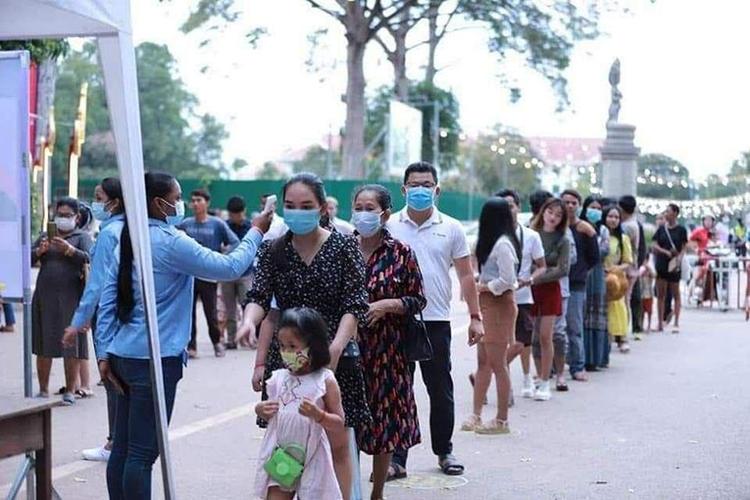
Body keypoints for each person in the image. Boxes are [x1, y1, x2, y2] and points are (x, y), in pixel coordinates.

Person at [95, 172, 271, 499]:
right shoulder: (171, 241)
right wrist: (257, 231)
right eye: (176, 199)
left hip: (122, 354)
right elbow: (230, 267)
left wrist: (103, 353)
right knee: (141, 454)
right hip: (155, 359)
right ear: (158, 203)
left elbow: (108, 299)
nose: (181, 205)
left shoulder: (129, 236)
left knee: (122, 448)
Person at [237, 172, 370, 499]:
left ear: (322, 207)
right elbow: (259, 298)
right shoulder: (273, 250)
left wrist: (335, 348)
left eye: (306, 205)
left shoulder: (344, 246)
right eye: (291, 205)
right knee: (288, 445)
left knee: (337, 445)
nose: (298, 212)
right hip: (289, 358)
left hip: (334, 359)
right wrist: (247, 322)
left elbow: (355, 304)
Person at [386, 161, 484, 477]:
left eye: (426, 185)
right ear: (403, 190)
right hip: (396, 319)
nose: (420, 190)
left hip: (436, 320)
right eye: (414, 185)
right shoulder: (389, 225)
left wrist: (475, 316)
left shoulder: (451, 227)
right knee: (397, 391)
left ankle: (445, 451)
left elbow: (466, 275)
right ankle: (396, 458)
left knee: (440, 389)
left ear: (437, 190)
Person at [350, 184, 425, 500]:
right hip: (348, 351)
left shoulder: (401, 253)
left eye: (370, 208)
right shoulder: (341, 248)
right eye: (358, 208)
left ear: (385, 214)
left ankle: (377, 492)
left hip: (388, 353)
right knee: (346, 423)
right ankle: (349, 490)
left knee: (385, 424)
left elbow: (417, 299)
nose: (363, 214)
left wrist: (386, 306)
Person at [62, 178, 125, 461]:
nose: (95, 203)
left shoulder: (110, 232)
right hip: (129, 315)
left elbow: (98, 281)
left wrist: (79, 319)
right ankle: (122, 440)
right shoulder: (132, 228)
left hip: (109, 315)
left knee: (111, 377)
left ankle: (114, 443)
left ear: (114, 202)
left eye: (99, 198)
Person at [254, 308, 346, 500]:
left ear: (313, 346)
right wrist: (260, 410)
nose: (286, 352)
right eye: (282, 346)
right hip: (283, 455)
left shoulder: (324, 380)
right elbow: (271, 411)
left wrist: (319, 415)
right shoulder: (278, 378)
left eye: (292, 346)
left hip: (314, 456)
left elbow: (339, 423)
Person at [462, 197, 518, 435]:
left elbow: (508, 280)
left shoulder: (503, 245)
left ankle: (501, 420)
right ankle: (476, 414)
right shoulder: (492, 243)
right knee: (483, 362)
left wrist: (485, 287)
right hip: (486, 303)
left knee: (498, 364)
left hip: (498, 305)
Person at [31, 197, 93, 405]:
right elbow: (27, 259)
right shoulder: (45, 236)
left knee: (71, 346)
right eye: (60, 215)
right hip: (45, 296)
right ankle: (43, 389)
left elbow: (90, 258)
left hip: (71, 296)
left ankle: (71, 389)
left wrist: (70, 251)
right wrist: (39, 252)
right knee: (43, 343)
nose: (63, 219)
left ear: (77, 217)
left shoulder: (81, 237)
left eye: (68, 215)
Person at [178, 188, 240, 358]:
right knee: (189, 313)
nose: (195, 204)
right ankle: (191, 346)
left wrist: (222, 258)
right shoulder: (186, 224)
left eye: (199, 200)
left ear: (207, 203)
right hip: (189, 276)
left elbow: (234, 242)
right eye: (193, 200)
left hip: (208, 276)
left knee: (211, 312)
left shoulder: (217, 224)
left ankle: (217, 342)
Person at [497, 190, 545, 399]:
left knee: (521, 342)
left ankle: (490, 373)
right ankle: (505, 388)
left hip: (523, 297)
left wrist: (530, 279)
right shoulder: (492, 236)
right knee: (500, 343)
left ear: (518, 207)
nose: (507, 210)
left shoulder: (531, 236)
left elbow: (542, 266)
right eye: (502, 206)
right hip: (498, 299)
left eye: (510, 205)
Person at [530, 191, 576, 393]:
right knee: (532, 336)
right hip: (530, 289)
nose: (553, 217)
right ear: (543, 211)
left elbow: (563, 269)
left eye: (558, 215)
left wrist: (537, 276)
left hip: (550, 290)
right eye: (550, 212)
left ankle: (547, 379)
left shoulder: (563, 240)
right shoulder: (531, 233)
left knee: (547, 335)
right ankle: (540, 375)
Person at [562, 189, 599, 382]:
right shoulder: (554, 226)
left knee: (574, 327)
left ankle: (577, 366)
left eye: (573, 203)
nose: (569, 206)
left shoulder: (585, 229)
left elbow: (594, 257)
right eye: (566, 202)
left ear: (579, 205)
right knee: (553, 329)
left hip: (575, 283)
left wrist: (582, 272)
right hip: (553, 282)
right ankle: (551, 367)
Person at [580, 196, 610, 370]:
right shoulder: (578, 227)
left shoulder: (603, 230)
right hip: (581, 272)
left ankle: (597, 357)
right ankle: (579, 357)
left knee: (597, 313)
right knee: (581, 313)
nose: (596, 211)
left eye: (599, 208)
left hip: (597, 273)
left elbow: (604, 250)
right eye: (592, 207)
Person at [221, 195, 254, 349]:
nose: (236, 217)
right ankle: (232, 338)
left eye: (239, 214)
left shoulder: (251, 227)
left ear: (244, 211)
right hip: (227, 274)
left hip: (245, 274)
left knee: (247, 306)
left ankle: (247, 337)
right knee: (230, 309)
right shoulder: (224, 227)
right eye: (233, 214)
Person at [602, 205, 633, 353]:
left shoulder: (623, 239)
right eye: (610, 216)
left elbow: (628, 261)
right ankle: (606, 338)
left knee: (618, 307)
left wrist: (615, 268)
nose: (613, 220)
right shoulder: (599, 236)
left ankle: (622, 337)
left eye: (616, 217)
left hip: (616, 278)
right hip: (600, 276)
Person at [653, 204, 688, 334]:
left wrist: (679, 258)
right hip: (662, 263)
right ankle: (660, 322)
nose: (666, 214)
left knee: (675, 293)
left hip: (674, 264)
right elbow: (655, 244)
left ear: (675, 213)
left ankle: (676, 322)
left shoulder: (681, 230)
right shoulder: (661, 229)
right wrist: (664, 252)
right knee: (660, 294)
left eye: (668, 212)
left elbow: (684, 246)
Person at [619, 195, 644, 338]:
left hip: (627, 267)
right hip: (632, 267)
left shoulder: (627, 226)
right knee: (626, 299)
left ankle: (623, 331)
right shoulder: (634, 224)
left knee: (624, 300)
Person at [640, 254, 656, 333]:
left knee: (649, 311)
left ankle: (649, 325)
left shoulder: (650, 269)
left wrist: (648, 268)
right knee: (642, 311)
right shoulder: (640, 269)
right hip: (642, 293)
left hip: (649, 293)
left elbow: (654, 275)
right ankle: (641, 325)